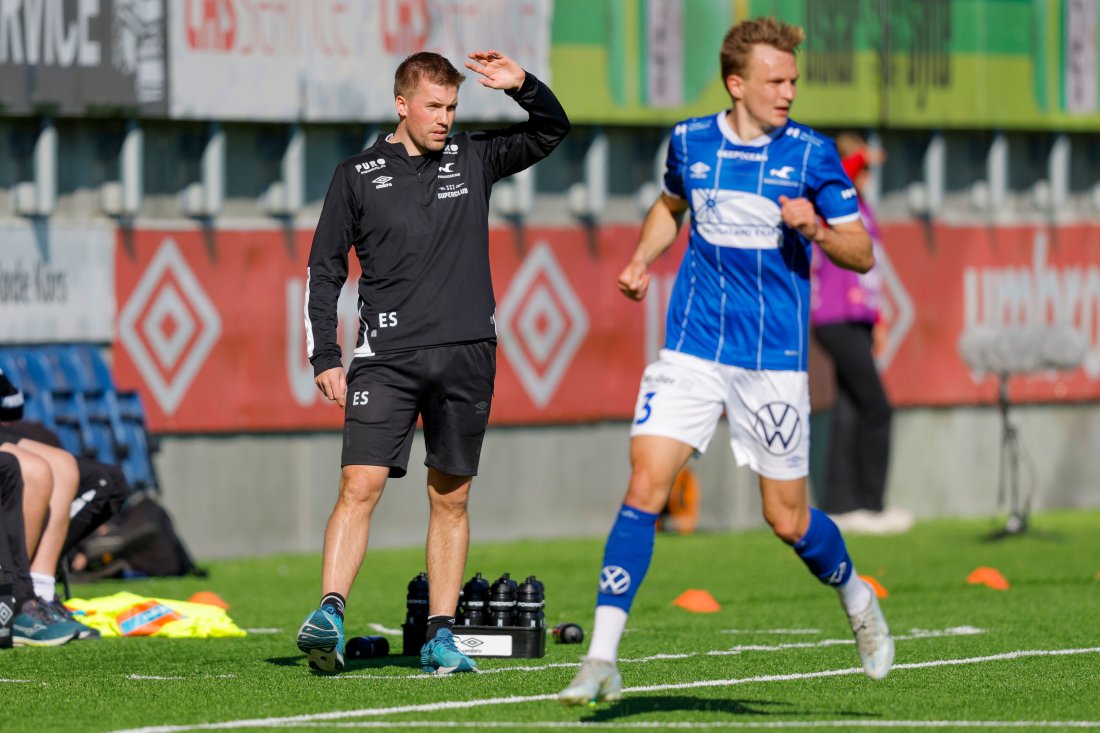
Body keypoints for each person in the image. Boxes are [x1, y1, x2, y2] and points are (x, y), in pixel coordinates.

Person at [558, 17, 894, 706]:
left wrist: (818, 229)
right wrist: (642, 257)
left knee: (788, 520)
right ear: (736, 84)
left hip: (772, 362)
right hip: (691, 348)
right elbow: (670, 204)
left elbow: (861, 251)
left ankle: (856, 594)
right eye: (776, 80)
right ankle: (600, 656)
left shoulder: (812, 155)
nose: (789, 91)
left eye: (794, 80)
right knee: (645, 486)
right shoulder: (690, 140)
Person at [297, 50, 569, 674]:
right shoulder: (357, 174)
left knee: (450, 497)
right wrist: (326, 354)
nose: (446, 119)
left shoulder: (474, 157)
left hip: (467, 354)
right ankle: (330, 616)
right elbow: (324, 270)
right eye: (434, 107)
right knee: (358, 484)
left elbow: (551, 130)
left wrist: (522, 85)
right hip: (385, 358)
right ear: (402, 105)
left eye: (453, 107)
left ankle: (440, 635)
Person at [811, 134, 912, 535]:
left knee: (851, 410)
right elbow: (842, 171)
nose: (866, 172)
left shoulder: (861, 207)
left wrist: (879, 320)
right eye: (862, 166)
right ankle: (871, 504)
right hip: (835, 315)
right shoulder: (833, 197)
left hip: (857, 317)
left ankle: (842, 505)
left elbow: (873, 269)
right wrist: (858, 155)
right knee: (878, 408)